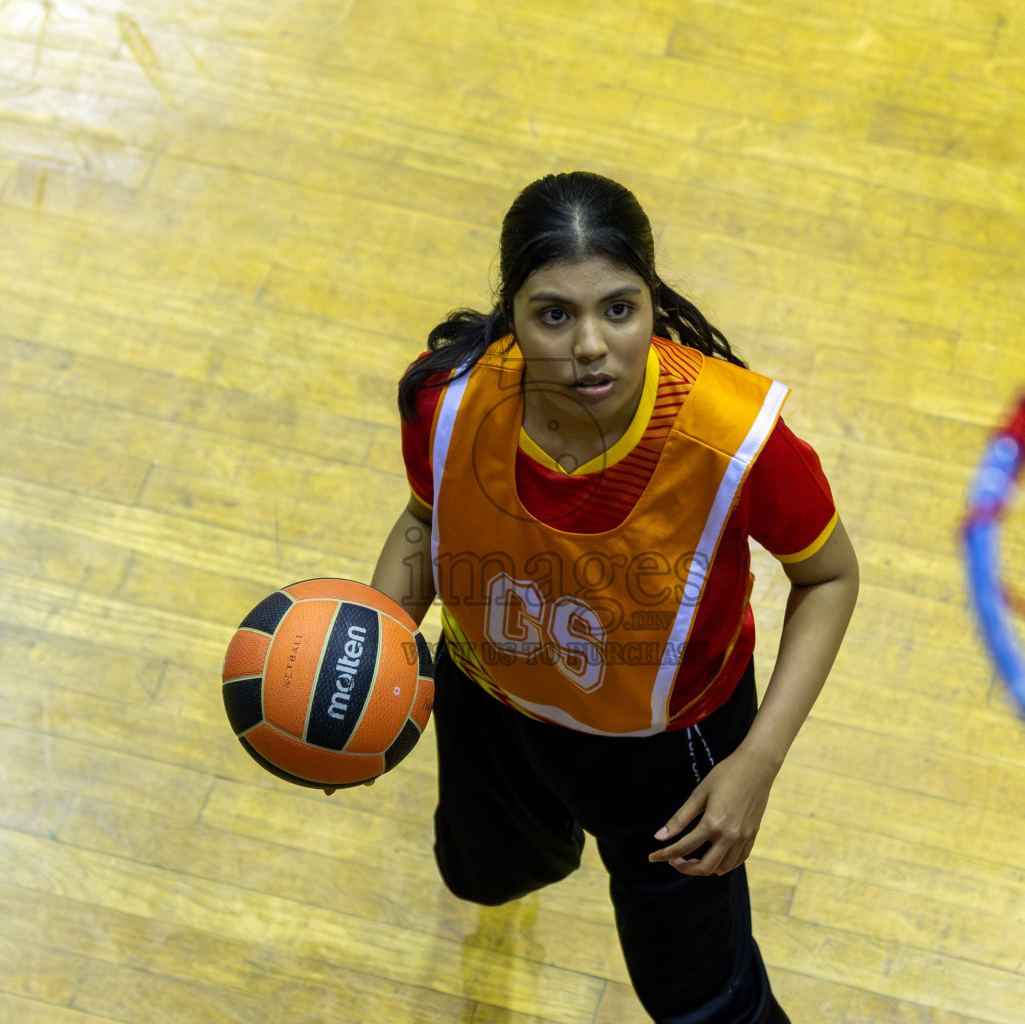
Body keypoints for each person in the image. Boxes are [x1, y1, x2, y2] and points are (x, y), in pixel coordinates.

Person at [367, 171, 859, 1024]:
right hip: (492, 703)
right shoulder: (447, 401)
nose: (591, 343)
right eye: (555, 314)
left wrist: (758, 763)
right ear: (511, 315)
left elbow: (829, 577)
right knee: (483, 876)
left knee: (702, 1004)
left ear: (651, 301)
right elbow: (424, 521)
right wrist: (372, 641)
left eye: (619, 309)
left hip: (671, 755)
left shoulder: (736, 440)